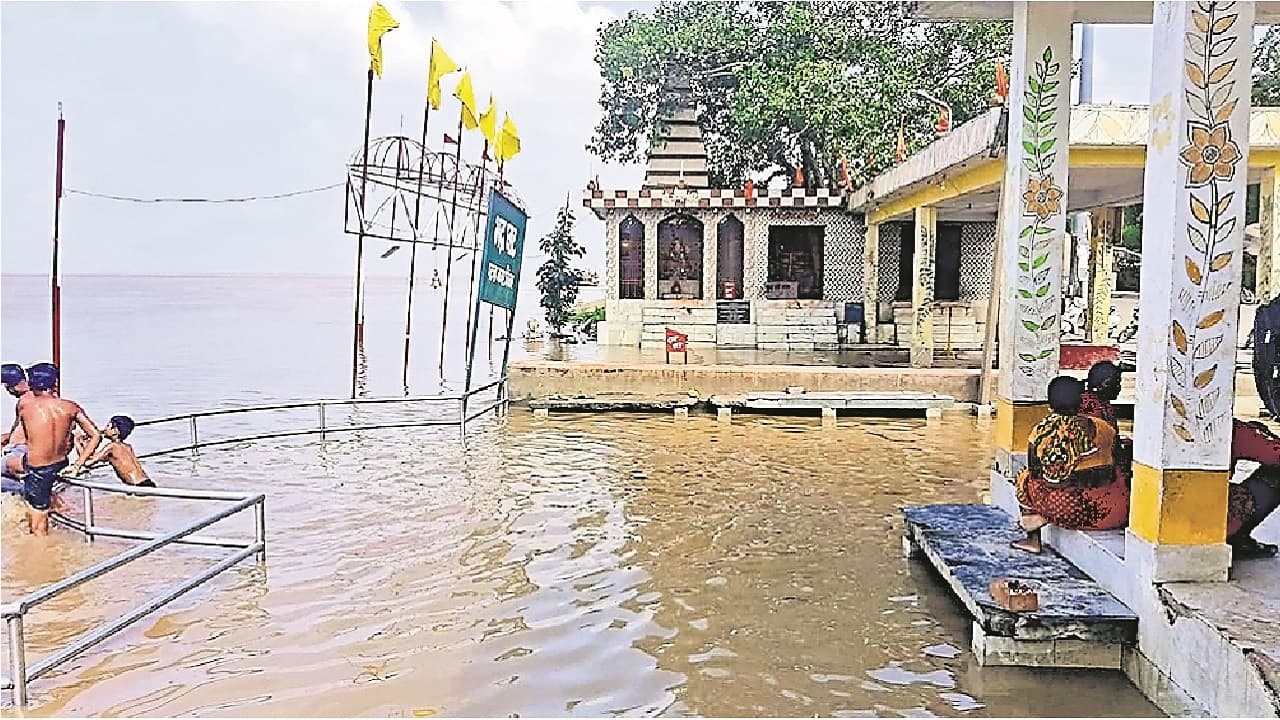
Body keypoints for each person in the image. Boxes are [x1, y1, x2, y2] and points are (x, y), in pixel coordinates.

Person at [1012, 376, 1130, 553]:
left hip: (1065, 512)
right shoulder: (1104, 428)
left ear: (1050, 404)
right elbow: (1118, 463)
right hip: (1112, 513)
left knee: (1024, 476)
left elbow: (1036, 473)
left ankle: (1033, 538)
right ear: (1081, 401)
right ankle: (1042, 518)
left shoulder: (1040, 432)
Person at [15, 363, 101, 535]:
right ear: (54, 384)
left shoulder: (25, 405)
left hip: (38, 469)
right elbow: (96, 435)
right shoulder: (70, 407)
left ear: (31, 385)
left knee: (38, 527)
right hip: (61, 463)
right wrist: (78, 464)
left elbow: (23, 435)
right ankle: (57, 508)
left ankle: (40, 558)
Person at [1226, 418, 1280, 558]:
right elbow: (1274, 453)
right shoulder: (1230, 427)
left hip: (1173, 527)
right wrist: (1261, 432)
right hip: (1216, 522)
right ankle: (1237, 539)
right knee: (1276, 474)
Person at [1079, 360, 1133, 475]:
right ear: (1097, 385)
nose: (1118, 387)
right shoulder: (1088, 405)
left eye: (1119, 383)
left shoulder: (1105, 405)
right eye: (1111, 383)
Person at [72, 415, 155, 488]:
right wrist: (86, 445)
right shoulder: (127, 447)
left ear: (115, 431)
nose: (104, 429)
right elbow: (95, 458)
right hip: (146, 482)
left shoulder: (112, 447)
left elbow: (87, 463)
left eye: (108, 426)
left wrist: (77, 442)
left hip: (137, 486)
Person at [2, 363, 30, 493]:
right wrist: (8, 437)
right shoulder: (28, 399)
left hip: (19, 451)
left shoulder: (28, 400)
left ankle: (30, 493)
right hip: (16, 449)